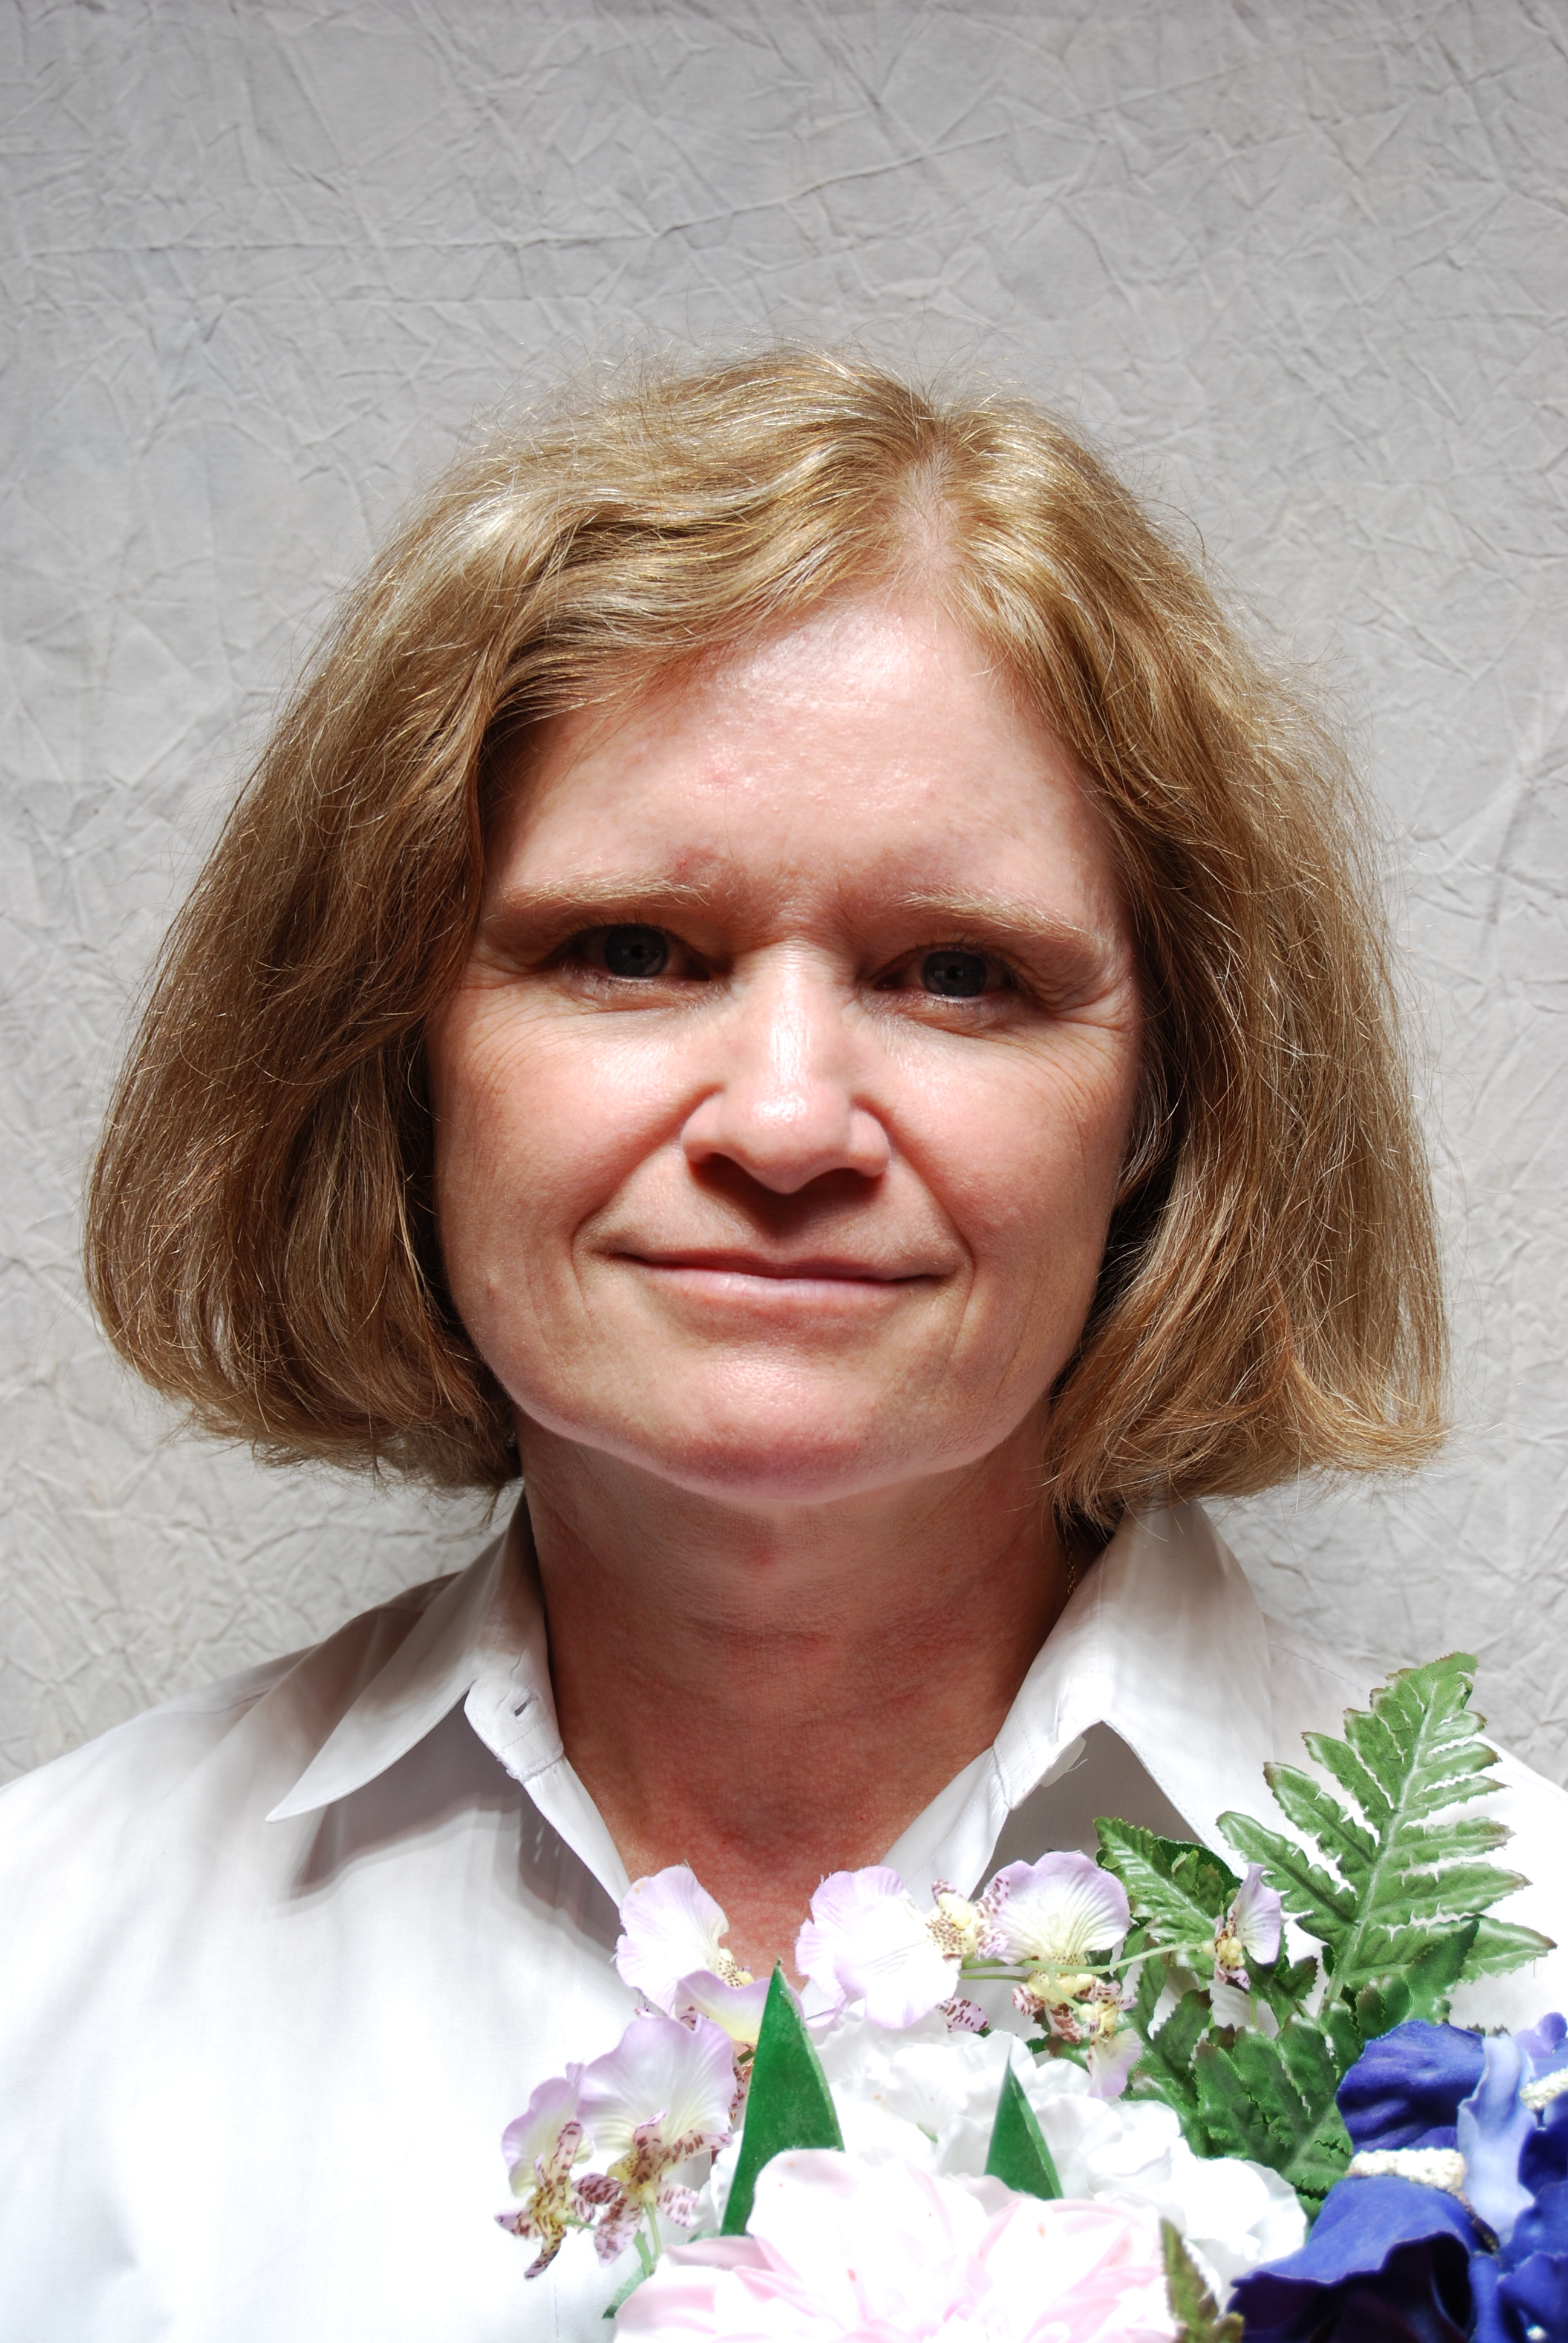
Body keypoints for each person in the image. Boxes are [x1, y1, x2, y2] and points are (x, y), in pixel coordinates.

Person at [0, 348, 1561, 2339]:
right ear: (402, 1057)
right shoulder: (42, 1973)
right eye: (631, 952)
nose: (789, 1121)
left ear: (1169, 1110)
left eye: (958, 974)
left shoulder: (1530, 1987)